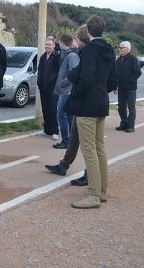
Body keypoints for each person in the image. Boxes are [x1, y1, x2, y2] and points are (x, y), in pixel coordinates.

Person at [65, 15, 118, 209]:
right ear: (102, 30)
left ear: (88, 30)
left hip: (87, 105)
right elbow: (114, 79)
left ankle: (94, 194)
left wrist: (77, 96)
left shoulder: (89, 51)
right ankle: (102, 191)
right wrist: (101, 91)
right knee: (99, 147)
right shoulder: (109, 50)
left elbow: (85, 78)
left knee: (89, 150)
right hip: (101, 103)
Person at [45, 25, 89, 186]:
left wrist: (64, 83)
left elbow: (74, 74)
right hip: (77, 98)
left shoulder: (76, 56)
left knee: (88, 143)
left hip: (77, 98)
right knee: (75, 134)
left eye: (77, 39)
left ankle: (89, 174)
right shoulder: (77, 54)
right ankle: (64, 165)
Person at [53, 34, 79, 149]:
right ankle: (69, 140)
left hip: (67, 90)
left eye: (59, 41)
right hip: (65, 90)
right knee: (67, 116)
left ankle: (66, 141)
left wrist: (63, 82)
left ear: (63, 42)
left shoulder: (72, 55)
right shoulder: (67, 54)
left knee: (61, 115)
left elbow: (73, 72)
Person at [36, 35, 61, 140]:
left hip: (53, 88)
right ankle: (47, 130)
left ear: (54, 45)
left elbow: (57, 73)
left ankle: (55, 131)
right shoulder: (42, 57)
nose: (47, 46)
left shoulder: (57, 57)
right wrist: (39, 83)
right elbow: (40, 71)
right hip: (43, 88)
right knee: (45, 109)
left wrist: (52, 83)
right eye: (46, 44)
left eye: (49, 45)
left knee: (52, 109)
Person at [114, 41, 142, 133]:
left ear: (127, 49)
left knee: (131, 107)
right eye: (119, 47)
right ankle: (124, 122)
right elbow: (115, 74)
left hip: (130, 88)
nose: (120, 49)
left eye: (121, 47)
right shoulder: (118, 60)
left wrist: (130, 80)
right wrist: (114, 86)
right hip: (121, 87)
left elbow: (138, 72)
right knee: (121, 107)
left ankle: (130, 125)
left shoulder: (133, 59)